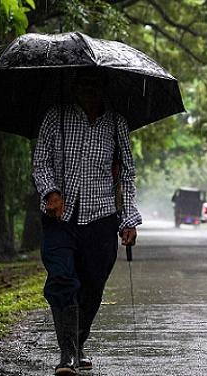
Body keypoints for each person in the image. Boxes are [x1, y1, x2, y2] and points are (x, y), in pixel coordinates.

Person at [32, 71, 142, 376]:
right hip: (59, 217)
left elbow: (127, 175)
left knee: (93, 287)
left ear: (103, 88)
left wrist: (128, 218)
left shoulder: (116, 123)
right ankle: (66, 355)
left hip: (101, 218)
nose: (88, 91)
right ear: (73, 86)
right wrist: (51, 192)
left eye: (94, 85)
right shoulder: (57, 117)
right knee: (62, 278)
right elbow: (40, 162)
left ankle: (78, 344)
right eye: (82, 85)